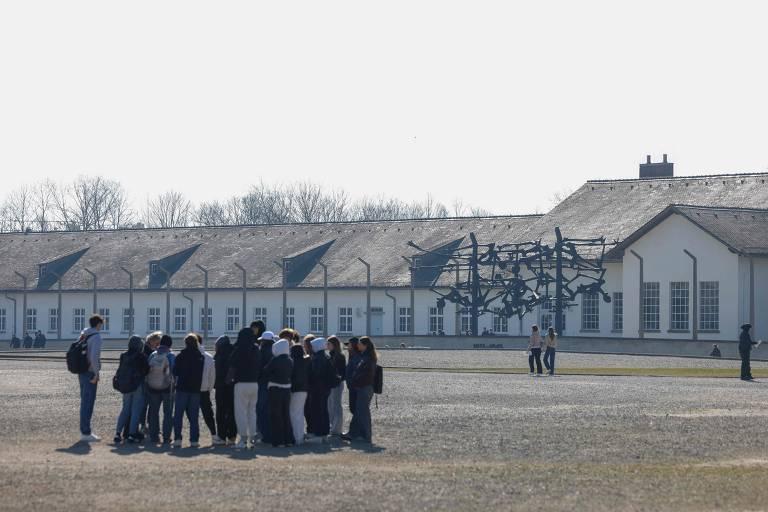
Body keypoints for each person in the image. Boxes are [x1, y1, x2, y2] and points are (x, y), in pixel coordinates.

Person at [114, 336, 149, 444]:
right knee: (135, 411)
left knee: (125, 410)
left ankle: (118, 433)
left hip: (125, 386)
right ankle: (132, 434)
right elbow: (146, 370)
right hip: (137, 385)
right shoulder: (141, 356)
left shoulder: (123, 355)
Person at [230, 327, 261, 449]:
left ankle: (242, 439)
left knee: (240, 412)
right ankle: (252, 438)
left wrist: (228, 380)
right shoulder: (256, 349)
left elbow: (232, 366)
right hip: (254, 383)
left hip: (241, 383)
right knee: (252, 412)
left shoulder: (239, 349)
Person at [172, 334, 204, 448]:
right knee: (194, 416)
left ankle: (177, 439)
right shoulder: (200, 356)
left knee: (178, 415)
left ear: (186, 343)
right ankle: (194, 440)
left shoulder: (181, 356)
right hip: (195, 389)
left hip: (182, 388)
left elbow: (175, 371)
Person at [343, 336, 377, 443]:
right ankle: (354, 433)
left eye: (360, 344)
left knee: (363, 413)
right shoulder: (365, 356)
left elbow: (365, 374)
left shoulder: (367, 358)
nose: (358, 345)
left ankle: (366, 436)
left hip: (364, 387)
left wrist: (355, 380)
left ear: (365, 345)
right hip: (362, 387)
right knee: (359, 411)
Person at [263, 332, 294, 447]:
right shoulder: (290, 360)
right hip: (287, 389)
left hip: (275, 388)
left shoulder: (275, 360)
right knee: (286, 414)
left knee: (276, 415)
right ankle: (289, 440)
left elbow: (266, 371)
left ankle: (279, 440)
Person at [78, 314, 104, 442]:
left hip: (81, 370)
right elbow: (94, 357)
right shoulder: (96, 337)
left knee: (84, 401)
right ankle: (86, 432)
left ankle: (84, 430)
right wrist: (96, 373)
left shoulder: (84, 334)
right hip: (89, 372)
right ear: (98, 324)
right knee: (88, 402)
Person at [146, 334, 176, 444]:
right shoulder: (171, 356)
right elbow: (174, 372)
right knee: (168, 413)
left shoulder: (153, 354)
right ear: (170, 344)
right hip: (168, 388)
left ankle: (154, 436)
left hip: (153, 387)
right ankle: (166, 437)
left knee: (154, 412)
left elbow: (147, 370)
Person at [307, 337, 335, 439]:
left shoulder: (317, 358)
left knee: (317, 410)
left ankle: (318, 432)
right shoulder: (325, 356)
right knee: (323, 409)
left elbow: (315, 373)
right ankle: (324, 431)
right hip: (324, 388)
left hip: (317, 388)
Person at [137, 332, 162, 436]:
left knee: (146, 404)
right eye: (157, 343)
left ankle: (145, 425)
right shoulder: (148, 352)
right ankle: (146, 425)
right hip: (147, 381)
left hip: (147, 380)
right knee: (147, 404)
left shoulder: (146, 350)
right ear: (152, 341)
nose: (158, 345)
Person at [214, 335, 237, 445]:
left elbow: (216, 373)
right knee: (232, 411)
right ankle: (232, 436)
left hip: (221, 387)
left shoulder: (218, 356)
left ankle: (222, 436)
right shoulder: (234, 353)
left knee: (221, 412)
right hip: (232, 387)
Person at [197, 334, 219, 445]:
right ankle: (214, 435)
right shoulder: (209, 357)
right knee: (208, 414)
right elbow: (212, 377)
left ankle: (193, 438)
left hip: (190, 390)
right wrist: (208, 389)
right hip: (204, 390)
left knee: (190, 414)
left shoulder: (184, 355)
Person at [289, 341, 310, 445]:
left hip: (295, 390)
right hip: (304, 389)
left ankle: (296, 437)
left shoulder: (293, 362)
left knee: (294, 414)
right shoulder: (306, 361)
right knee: (299, 413)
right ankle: (300, 436)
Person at [256, 330, 275, 444]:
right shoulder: (274, 351)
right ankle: (269, 434)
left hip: (262, 383)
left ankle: (264, 435)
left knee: (260, 410)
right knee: (268, 409)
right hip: (272, 383)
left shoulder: (261, 351)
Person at [326, 336, 346, 436]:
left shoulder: (339, 356)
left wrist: (336, 377)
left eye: (329, 344)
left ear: (334, 345)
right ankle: (332, 426)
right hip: (331, 383)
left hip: (337, 384)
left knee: (336, 406)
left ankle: (337, 428)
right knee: (330, 405)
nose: (327, 346)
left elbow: (341, 372)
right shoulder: (331, 355)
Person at [344, 337, 361, 436]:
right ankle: (354, 431)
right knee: (353, 408)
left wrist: (351, 382)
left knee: (355, 409)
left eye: (349, 344)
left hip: (355, 386)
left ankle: (354, 432)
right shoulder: (352, 355)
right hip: (352, 386)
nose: (347, 346)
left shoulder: (356, 356)